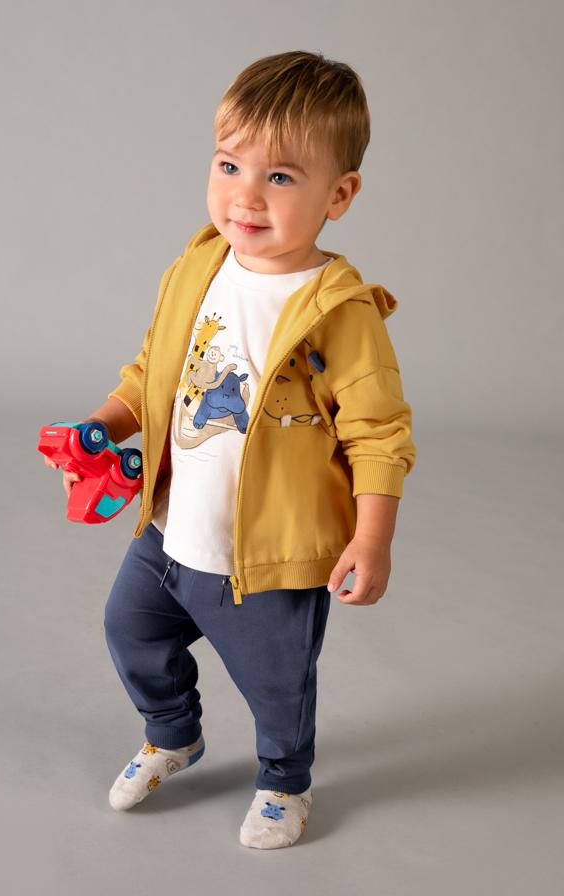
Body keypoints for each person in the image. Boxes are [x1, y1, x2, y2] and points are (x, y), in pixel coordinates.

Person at [44, 50, 417, 849]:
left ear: (339, 195)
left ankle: (285, 780)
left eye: (280, 177)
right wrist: (100, 426)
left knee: (279, 686)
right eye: (228, 165)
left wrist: (372, 537)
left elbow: (379, 434)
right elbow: (152, 371)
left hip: (267, 557)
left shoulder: (340, 312)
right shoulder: (199, 265)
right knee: (129, 630)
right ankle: (173, 733)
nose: (245, 195)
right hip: (171, 530)